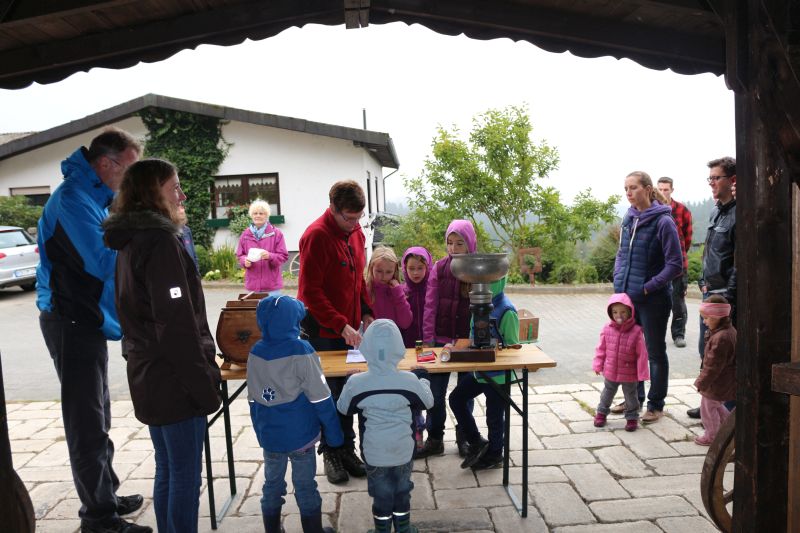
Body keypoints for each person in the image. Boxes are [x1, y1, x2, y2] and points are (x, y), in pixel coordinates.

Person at [35, 128, 150, 533]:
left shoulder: (91, 198)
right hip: (69, 320)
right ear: (106, 164)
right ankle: (98, 519)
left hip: (85, 319)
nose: (132, 181)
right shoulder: (71, 200)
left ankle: (107, 495)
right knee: (85, 421)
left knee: (98, 412)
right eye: (130, 170)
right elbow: (103, 261)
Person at [104, 158, 221, 533]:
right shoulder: (158, 241)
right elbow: (176, 327)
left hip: (150, 375)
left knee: (169, 467)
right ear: (153, 194)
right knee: (185, 474)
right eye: (175, 188)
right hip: (174, 380)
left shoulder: (132, 240)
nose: (182, 195)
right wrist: (204, 384)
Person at [296, 180, 374, 484]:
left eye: (358, 218)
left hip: (350, 329)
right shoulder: (316, 236)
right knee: (327, 394)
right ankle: (331, 452)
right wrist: (341, 323)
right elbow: (310, 293)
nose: (354, 224)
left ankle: (347, 449)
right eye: (348, 218)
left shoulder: (355, 232)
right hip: (324, 331)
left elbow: (359, 281)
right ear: (333, 208)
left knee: (347, 391)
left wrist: (366, 311)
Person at [247, 295, 343, 533]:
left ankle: (272, 529)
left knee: (272, 485)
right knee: (305, 486)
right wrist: (334, 434)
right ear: (293, 321)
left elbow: (252, 398)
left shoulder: (255, 351)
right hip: (300, 436)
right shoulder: (302, 349)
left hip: (270, 437)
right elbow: (321, 397)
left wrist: (261, 430)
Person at [337, 319, 434, 533]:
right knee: (402, 490)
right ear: (399, 348)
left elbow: (343, 408)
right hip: (403, 451)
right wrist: (423, 379)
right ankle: (404, 528)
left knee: (381, 494)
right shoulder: (409, 380)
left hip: (374, 453)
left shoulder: (357, 383)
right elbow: (428, 402)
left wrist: (348, 383)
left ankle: (382, 529)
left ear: (366, 348)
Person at [612, 171, 682, 424]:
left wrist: (647, 287)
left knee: (654, 352)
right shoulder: (629, 218)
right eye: (625, 188)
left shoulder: (663, 222)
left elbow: (675, 264)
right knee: (631, 351)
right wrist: (619, 280)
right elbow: (621, 254)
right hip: (628, 298)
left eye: (633, 188)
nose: (628, 193)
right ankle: (634, 399)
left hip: (653, 299)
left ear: (648, 189)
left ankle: (655, 404)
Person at [419, 219, 477, 457]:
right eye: (450, 243)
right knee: (435, 393)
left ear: (470, 244)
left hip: (466, 342)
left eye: (459, 243)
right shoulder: (439, 268)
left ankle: (465, 436)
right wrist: (428, 338)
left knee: (464, 392)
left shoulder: (476, 269)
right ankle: (434, 438)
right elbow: (430, 305)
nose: (453, 249)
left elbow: (481, 308)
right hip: (441, 340)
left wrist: (474, 338)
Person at [449, 275, 520, 469]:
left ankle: (495, 454)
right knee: (456, 399)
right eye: (474, 284)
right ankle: (476, 442)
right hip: (480, 372)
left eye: (483, 284)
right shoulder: (480, 305)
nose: (475, 288)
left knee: (495, 417)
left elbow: (513, 348)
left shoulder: (507, 311)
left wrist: (494, 349)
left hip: (498, 375)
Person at [688, 157, 737, 420]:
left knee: (723, 355)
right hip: (709, 292)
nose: (712, 183)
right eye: (710, 178)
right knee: (705, 351)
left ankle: (727, 416)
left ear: (733, 180)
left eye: (716, 178)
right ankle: (710, 403)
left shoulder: (740, 212)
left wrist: (728, 297)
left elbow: (739, 262)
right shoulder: (716, 210)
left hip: (723, 296)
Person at [592, 293, 649, 432]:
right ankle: (601, 413)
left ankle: (631, 417)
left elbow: (642, 354)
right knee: (607, 393)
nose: (619, 315)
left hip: (629, 372)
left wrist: (642, 373)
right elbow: (601, 349)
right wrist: (598, 364)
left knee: (631, 396)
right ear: (611, 313)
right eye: (615, 312)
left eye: (623, 311)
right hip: (610, 370)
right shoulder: (607, 329)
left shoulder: (636, 331)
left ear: (630, 312)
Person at [399, 246, 433, 454]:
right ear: (404, 268)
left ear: (428, 267)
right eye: (411, 268)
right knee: (412, 393)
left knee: (431, 391)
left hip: (430, 348)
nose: (416, 273)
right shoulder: (402, 291)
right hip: (407, 349)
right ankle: (415, 432)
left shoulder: (433, 289)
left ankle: (433, 432)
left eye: (420, 268)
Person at [693, 295, 736, 446]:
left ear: (718, 317)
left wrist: (701, 382)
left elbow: (713, 366)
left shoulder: (721, 337)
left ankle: (712, 436)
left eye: (707, 318)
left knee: (707, 409)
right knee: (716, 405)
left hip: (717, 382)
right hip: (723, 381)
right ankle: (728, 430)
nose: (704, 322)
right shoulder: (726, 331)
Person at [656, 177, 693, 348]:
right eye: (660, 189)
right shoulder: (653, 210)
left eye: (666, 189)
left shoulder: (682, 210)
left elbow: (687, 238)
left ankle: (678, 334)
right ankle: (655, 334)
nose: (663, 192)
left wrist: (677, 255)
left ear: (672, 190)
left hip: (678, 266)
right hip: (657, 266)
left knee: (678, 301)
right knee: (657, 302)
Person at [236, 199, 288, 295]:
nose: (258, 216)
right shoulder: (245, 234)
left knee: (273, 310)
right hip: (252, 286)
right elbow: (240, 255)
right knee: (254, 310)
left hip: (272, 287)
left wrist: (270, 256)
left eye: (261, 213)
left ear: (266, 215)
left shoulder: (276, 234)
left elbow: (283, 256)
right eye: (255, 213)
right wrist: (244, 261)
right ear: (252, 216)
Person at [366, 246, 412, 330]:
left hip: (393, 340)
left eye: (389, 272)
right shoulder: (365, 290)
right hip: (371, 340)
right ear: (371, 268)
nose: (383, 276)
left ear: (395, 270)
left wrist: (398, 294)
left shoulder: (399, 291)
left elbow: (405, 323)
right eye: (379, 271)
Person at [177, 204, 199, 273]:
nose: (182, 210)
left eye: (182, 207)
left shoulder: (187, 230)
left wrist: (197, 273)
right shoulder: (171, 232)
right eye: (179, 207)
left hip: (192, 274)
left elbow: (194, 254)